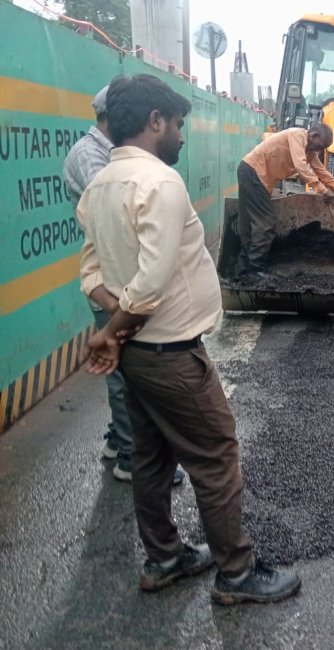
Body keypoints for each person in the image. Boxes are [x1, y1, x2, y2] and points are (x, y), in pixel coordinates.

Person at [78, 74, 300, 605]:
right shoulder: (160, 182)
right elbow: (150, 286)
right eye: (178, 124)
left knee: (151, 458)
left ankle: (164, 558)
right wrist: (115, 330)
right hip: (171, 355)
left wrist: (115, 328)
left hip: (136, 356)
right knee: (216, 455)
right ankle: (237, 573)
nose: (181, 136)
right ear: (155, 121)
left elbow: (90, 274)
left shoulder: (99, 186)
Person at [63, 86, 184, 486]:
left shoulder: (111, 156)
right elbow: (112, 219)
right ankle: (132, 456)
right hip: (113, 284)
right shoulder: (92, 157)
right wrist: (122, 310)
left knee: (125, 372)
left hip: (120, 284)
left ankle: (121, 440)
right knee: (121, 374)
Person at [235, 124, 334, 276]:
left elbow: (322, 173)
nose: (319, 151)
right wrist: (323, 190)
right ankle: (255, 269)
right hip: (253, 173)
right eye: (319, 146)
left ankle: (242, 269)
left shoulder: (310, 152)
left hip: (256, 176)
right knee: (265, 223)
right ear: (313, 135)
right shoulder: (297, 135)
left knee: (249, 223)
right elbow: (301, 166)